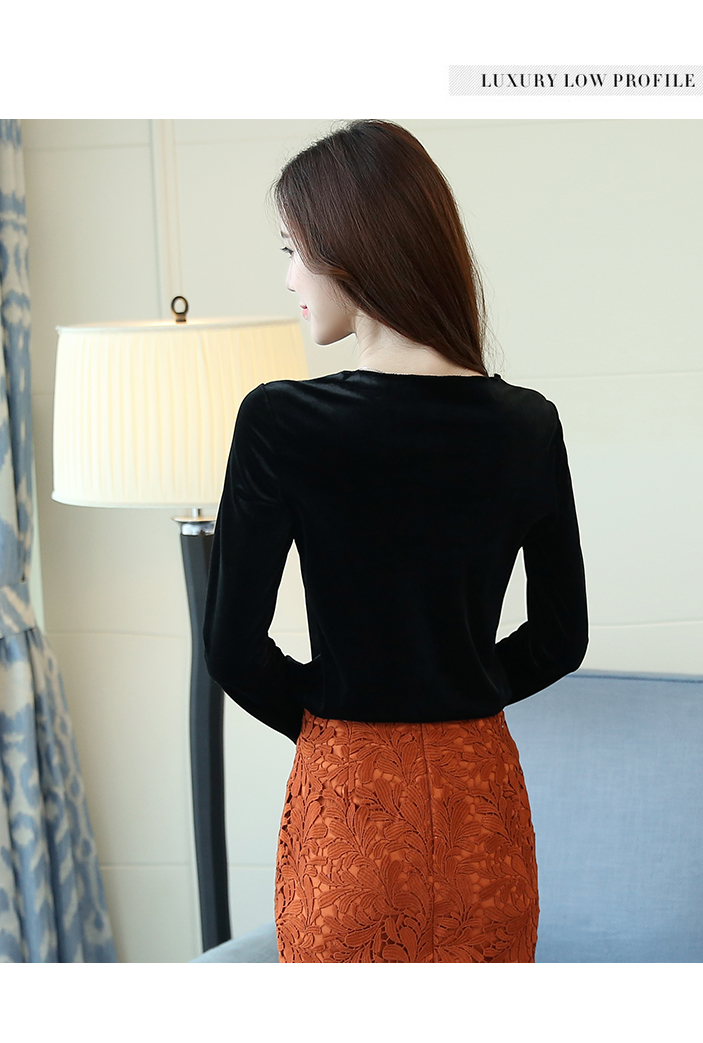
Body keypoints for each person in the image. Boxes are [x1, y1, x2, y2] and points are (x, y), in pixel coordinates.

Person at [202, 120, 589, 963]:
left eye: (293, 251)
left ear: (350, 252)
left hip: (351, 810)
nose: (290, 277)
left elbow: (231, 648)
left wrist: (334, 719)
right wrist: (464, 685)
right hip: (480, 803)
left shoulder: (281, 420)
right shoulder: (529, 425)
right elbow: (563, 637)